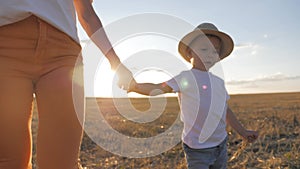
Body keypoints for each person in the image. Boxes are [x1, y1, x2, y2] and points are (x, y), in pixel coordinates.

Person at [0, 0, 134, 169]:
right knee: (8, 162)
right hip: (4, 48)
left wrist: (116, 63)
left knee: (62, 164)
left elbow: (86, 12)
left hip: (62, 53)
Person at [128, 23, 258, 169]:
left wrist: (243, 132)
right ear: (190, 52)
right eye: (204, 49)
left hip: (221, 144)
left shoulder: (219, 82)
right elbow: (159, 88)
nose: (209, 54)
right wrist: (135, 86)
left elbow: (225, 110)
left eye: (215, 51)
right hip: (197, 148)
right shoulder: (186, 78)